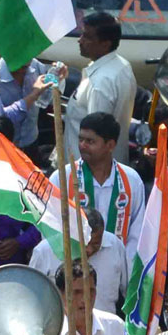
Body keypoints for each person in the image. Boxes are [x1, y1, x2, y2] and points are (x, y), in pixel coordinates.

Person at [52, 111, 145, 259]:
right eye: (80, 139)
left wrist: (125, 266)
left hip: (116, 264)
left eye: (90, 141)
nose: (82, 145)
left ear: (110, 145)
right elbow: (51, 226)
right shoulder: (63, 177)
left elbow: (137, 233)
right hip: (73, 262)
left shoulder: (131, 180)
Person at [63, 12, 137, 165]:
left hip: (89, 172)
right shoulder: (121, 66)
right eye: (82, 34)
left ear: (105, 44)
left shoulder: (100, 84)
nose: (80, 40)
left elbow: (95, 141)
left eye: (87, 37)